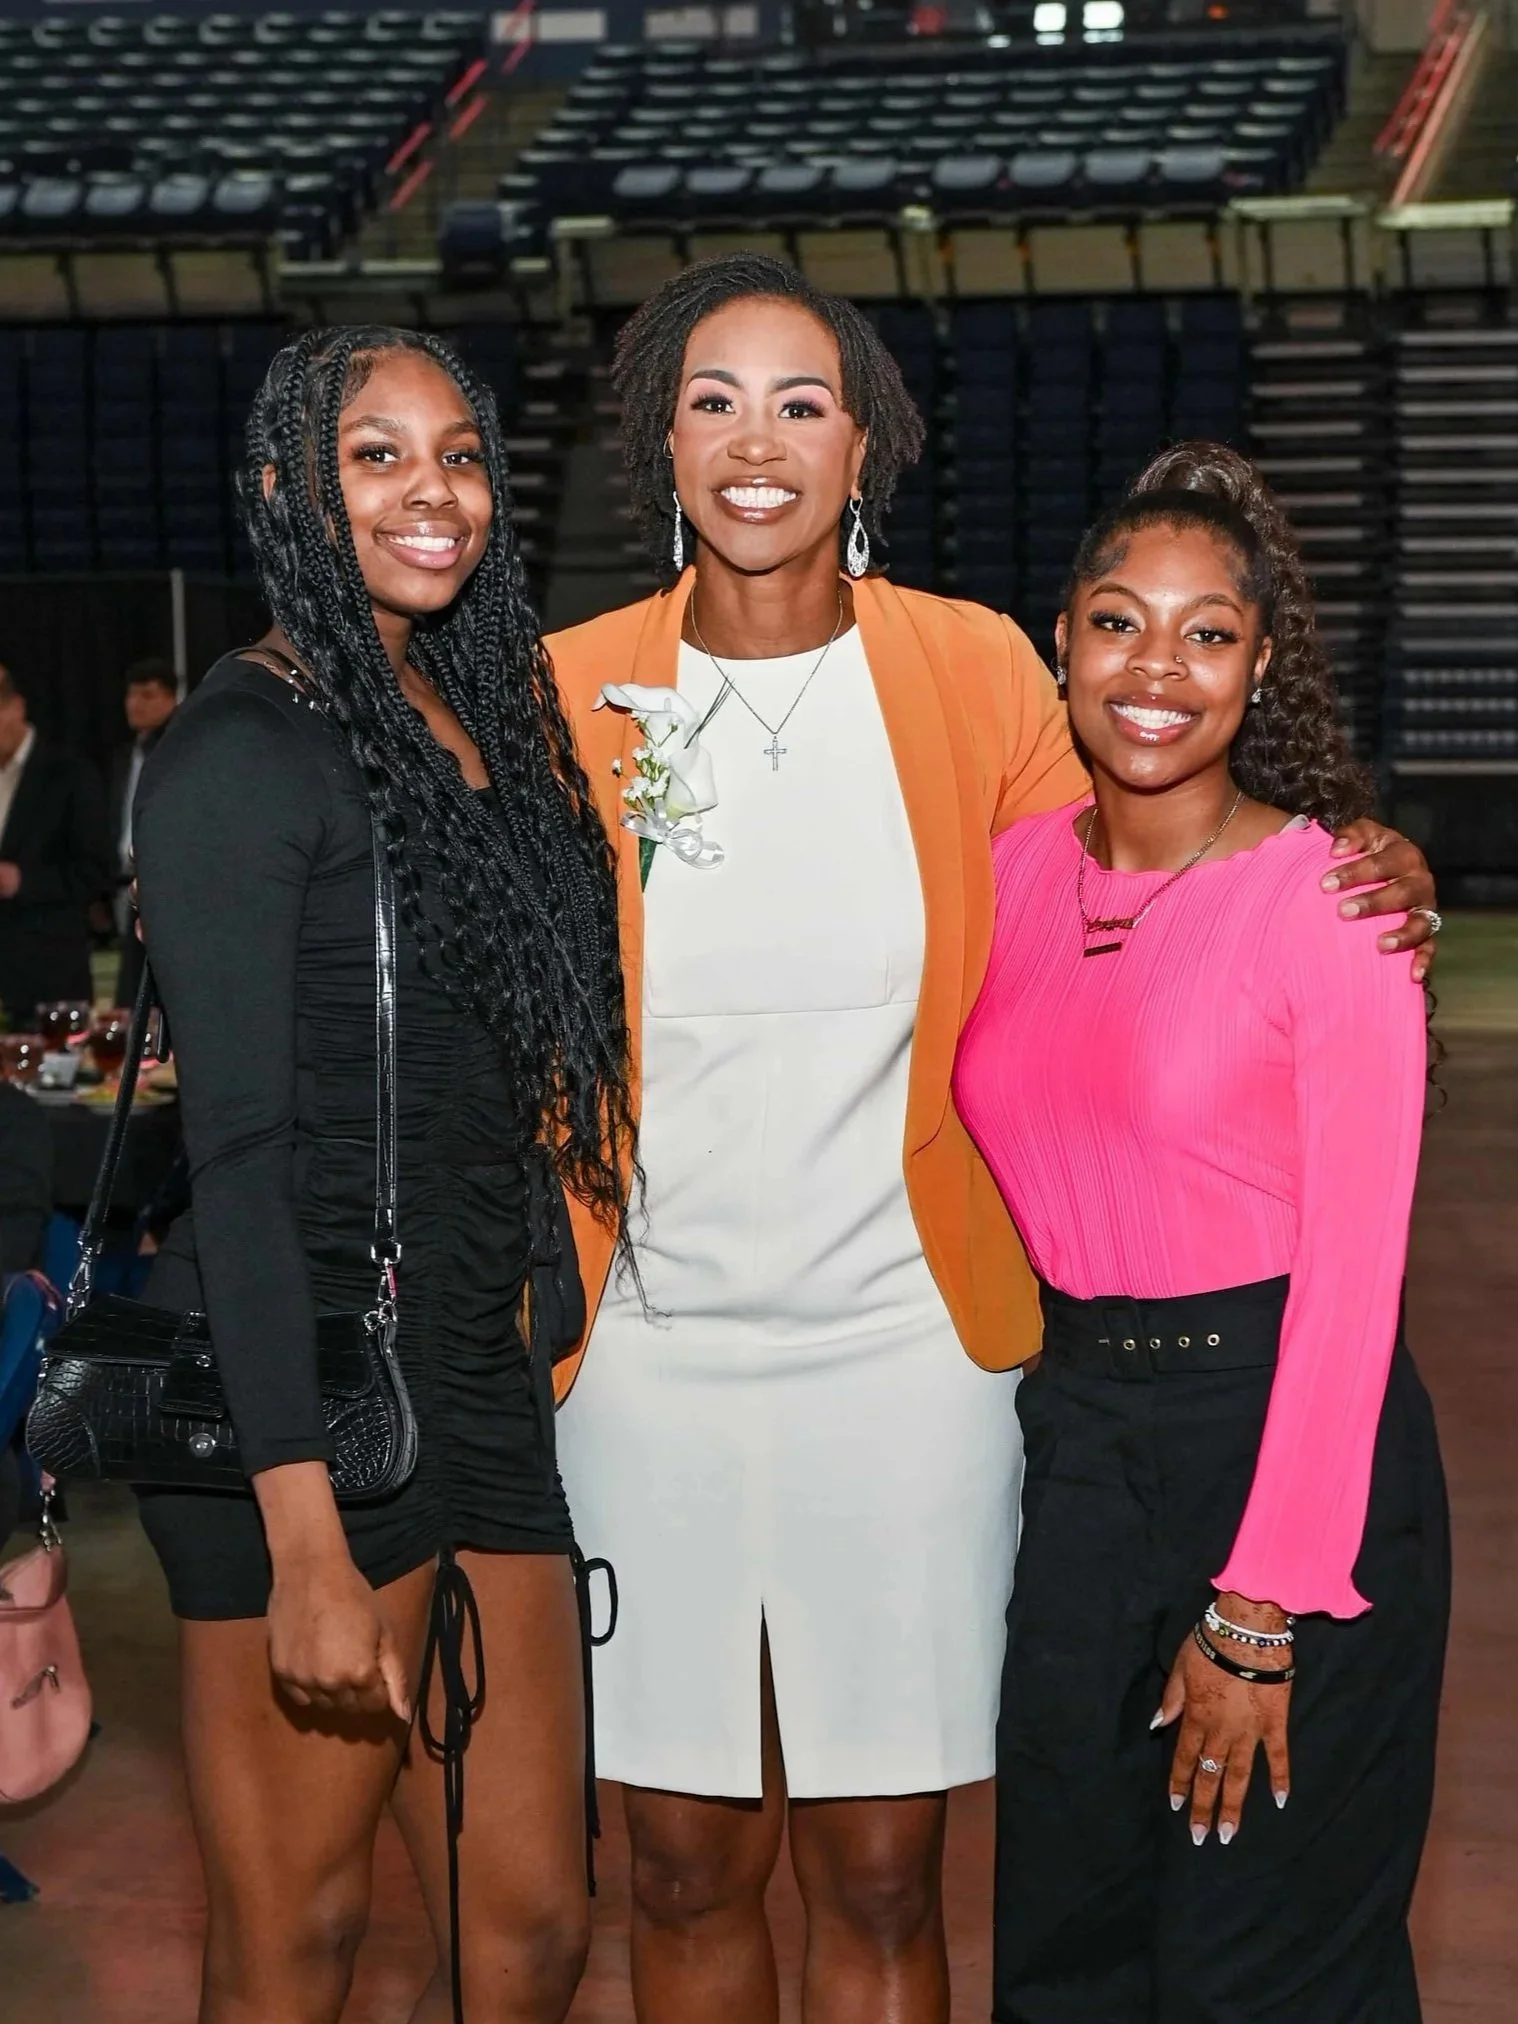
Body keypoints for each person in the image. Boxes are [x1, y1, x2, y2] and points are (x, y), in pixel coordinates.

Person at [542, 253, 1440, 2024]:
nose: (754, 440)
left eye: (802, 401)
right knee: (674, 1861)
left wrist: (1360, 856)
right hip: (642, 1356)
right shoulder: (562, 692)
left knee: (892, 1867)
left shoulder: (968, 673)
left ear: (864, 443)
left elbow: (1165, 816)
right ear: (656, 436)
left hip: (912, 1355)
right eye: (712, 397)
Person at [131, 326, 634, 2024]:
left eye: (462, 453)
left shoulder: (478, 719)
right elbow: (241, 1153)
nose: (435, 488)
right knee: (298, 1945)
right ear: (284, 487)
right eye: (377, 452)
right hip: (307, 1407)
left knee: (531, 1934)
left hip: (475, 1379)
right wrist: (301, 1532)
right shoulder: (234, 749)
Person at [953, 443, 1449, 2023]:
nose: (1154, 669)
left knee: (1262, 1971)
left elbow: (1355, 1286)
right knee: (1063, 1955)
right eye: (1116, 621)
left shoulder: (1334, 906)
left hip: (1293, 1459)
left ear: (1258, 667)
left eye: (1207, 632)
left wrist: (1257, 1610)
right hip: (1078, 1447)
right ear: (1060, 644)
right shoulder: (1006, 876)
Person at [0, 666, 113, 1031]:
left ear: (16, 707)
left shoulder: (69, 774)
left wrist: (23, 882)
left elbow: (97, 871)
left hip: (48, 984)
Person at [108, 657, 179, 1007]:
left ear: (171, 699)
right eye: (132, 695)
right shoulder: (124, 755)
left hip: (160, 881)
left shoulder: (180, 749)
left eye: (148, 695)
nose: (136, 703)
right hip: (123, 882)